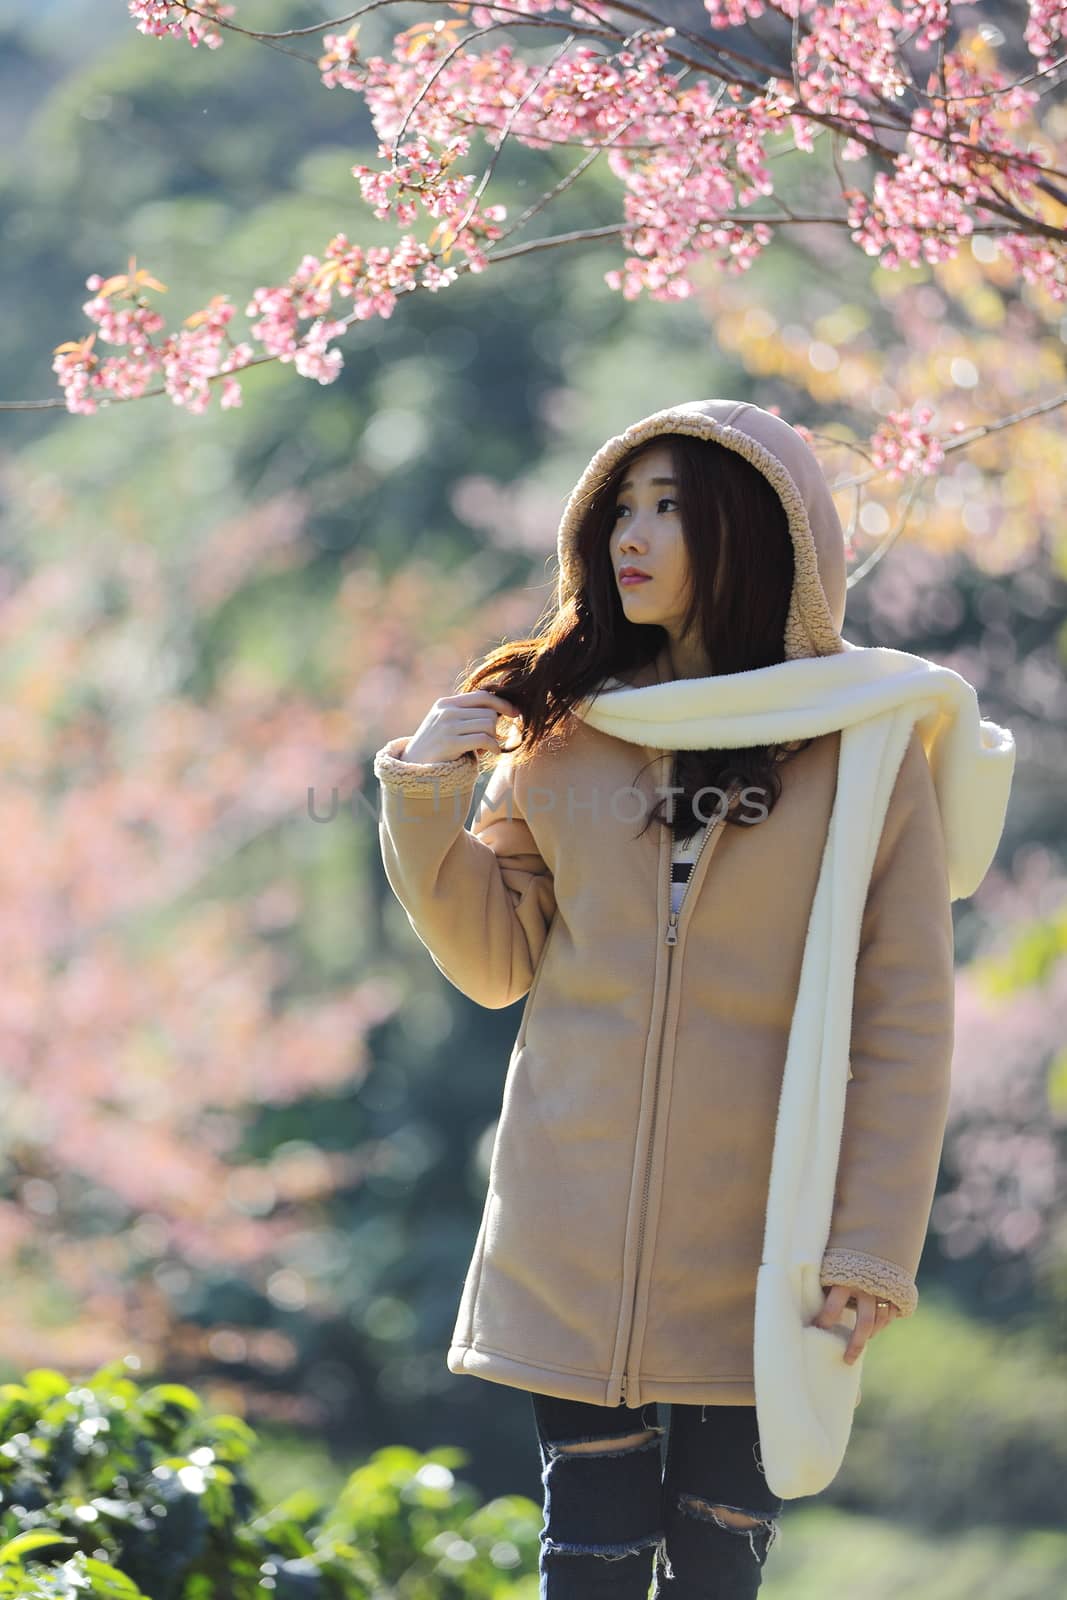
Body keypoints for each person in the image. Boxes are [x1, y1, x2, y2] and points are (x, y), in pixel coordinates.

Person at [371, 399, 1014, 1599]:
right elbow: (498, 958)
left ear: (755, 537)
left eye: (671, 508)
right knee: (591, 1560)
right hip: (571, 1215)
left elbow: (905, 1020)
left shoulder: (859, 745)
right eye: (621, 507)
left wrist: (868, 1248)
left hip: (763, 1238)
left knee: (717, 1569)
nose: (635, 534)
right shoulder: (565, 733)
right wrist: (421, 798)